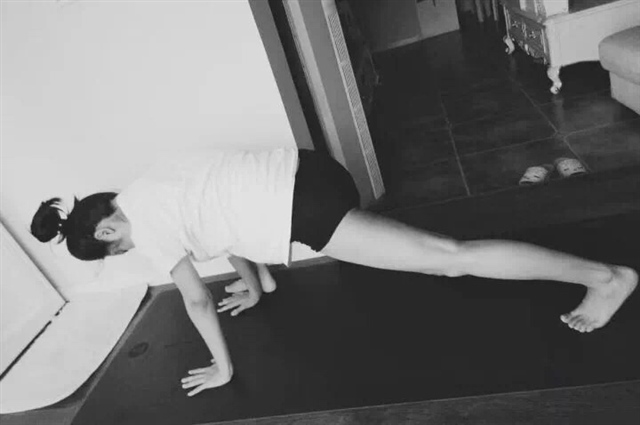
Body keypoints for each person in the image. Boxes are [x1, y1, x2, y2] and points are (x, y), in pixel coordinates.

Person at [30, 147, 637, 396]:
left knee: (450, 259)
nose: (126, 253)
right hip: (313, 171)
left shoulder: (148, 224)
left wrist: (223, 366)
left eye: (115, 251)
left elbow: (194, 299)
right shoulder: (150, 188)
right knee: (446, 255)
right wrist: (259, 285)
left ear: (106, 232)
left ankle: (606, 278)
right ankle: (601, 275)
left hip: (306, 207)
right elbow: (219, 228)